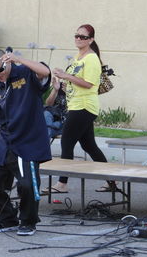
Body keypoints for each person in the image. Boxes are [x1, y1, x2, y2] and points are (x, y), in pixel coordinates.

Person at [0, 49, 51, 236]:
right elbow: (2, 112)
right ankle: (6, 219)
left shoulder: (25, 73)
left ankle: (28, 221)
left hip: (27, 139)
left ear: (7, 61)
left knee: (27, 185)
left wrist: (19, 59)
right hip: (6, 139)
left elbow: (45, 72)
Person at [50, 24, 116, 193]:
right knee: (89, 146)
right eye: (77, 36)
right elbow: (74, 85)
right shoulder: (78, 57)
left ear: (91, 40)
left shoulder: (91, 59)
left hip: (85, 106)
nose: (78, 39)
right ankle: (111, 182)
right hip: (76, 105)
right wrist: (60, 85)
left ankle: (62, 184)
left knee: (66, 141)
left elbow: (89, 84)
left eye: (83, 37)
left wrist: (66, 75)